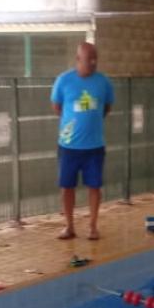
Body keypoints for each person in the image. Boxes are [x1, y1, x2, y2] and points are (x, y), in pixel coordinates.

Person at [51, 42, 114, 241]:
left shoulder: (103, 82)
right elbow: (57, 108)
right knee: (67, 187)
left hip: (94, 147)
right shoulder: (64, 81)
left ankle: (93, 227)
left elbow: (107, 107)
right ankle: (69, 226)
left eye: (96, 59)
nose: (94, 63)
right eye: (90, 59)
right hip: (69, 146)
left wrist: (90, 124)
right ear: (78, 59)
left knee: (94, 186)